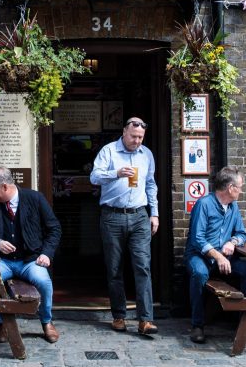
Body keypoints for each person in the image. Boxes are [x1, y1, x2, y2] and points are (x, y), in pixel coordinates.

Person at [89, 117, 159, 335]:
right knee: (115, 267)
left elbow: (150, 184)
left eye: (140, 138)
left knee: (143, 266)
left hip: (139, 215)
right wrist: (116, 173)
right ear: (124, 132)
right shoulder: (109, 151)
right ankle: (119, 316)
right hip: (112, 216)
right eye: (133, 136)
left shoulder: (146, 154)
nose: (137, 141)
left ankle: (145, 320)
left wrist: (154, 213)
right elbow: (94, 177)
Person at [0, 166, 62, 344]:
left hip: (30, 260)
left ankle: (46, 321)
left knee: (44, 282)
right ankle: (0, 323)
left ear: (5, 187)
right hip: (3, 261)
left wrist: (46, 254)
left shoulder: (35, 198)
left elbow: (54, 229)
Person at [184, 167, 246, 345]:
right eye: (240, 187)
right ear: (230, 188)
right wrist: (218, 256)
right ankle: (197, 325)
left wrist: (232, 242)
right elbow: (197, 239)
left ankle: (244, 324)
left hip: (224, 257)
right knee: (199, 273)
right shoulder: (204, 204)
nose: (242, 190)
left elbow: (241, 233)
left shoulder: (233, 207)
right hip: (199, 256)